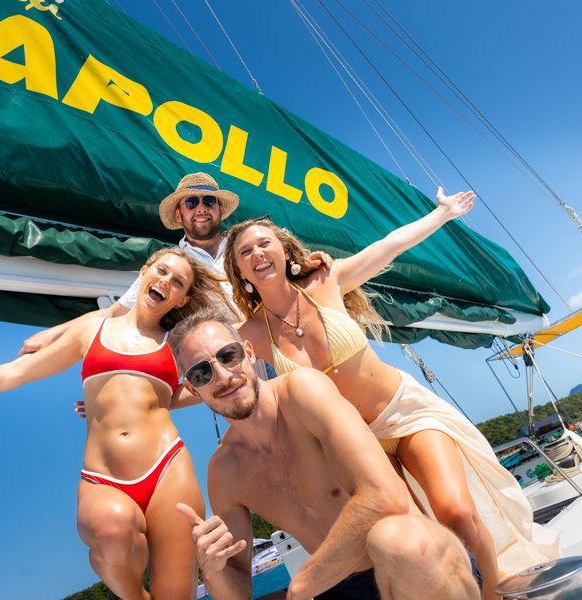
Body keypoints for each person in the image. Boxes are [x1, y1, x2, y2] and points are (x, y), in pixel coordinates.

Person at [222, 188, 560, 599]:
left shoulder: (326, 281)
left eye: (264, 243)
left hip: (404, 411)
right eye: (244, 252)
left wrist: (442, 213)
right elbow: (203, 367)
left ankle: (494, 594)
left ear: (283, 251)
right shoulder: (250, 334)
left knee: (458, 515)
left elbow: (389, 246)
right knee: (418, 538)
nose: (257, 253)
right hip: (357, 445)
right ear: (239, 272)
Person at [0, 248, 225, 600]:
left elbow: (205, 384)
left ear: (182, 300)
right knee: (111, 530)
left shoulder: (177, 343)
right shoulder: (92, 328)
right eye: (161, 271)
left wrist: (151, 399)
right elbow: (16, 372)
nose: (165, 281)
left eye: (177, 282)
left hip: (168, 469)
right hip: (105, 477)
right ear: (145, 271)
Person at [170, 308, 480, 599]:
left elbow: (387, 497)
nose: (222, 377)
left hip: (418, 567)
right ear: (194, 391)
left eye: (229, 356)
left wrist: (302, 585)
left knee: (399, 542)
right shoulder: (225, 471)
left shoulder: (303, 393)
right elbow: (236, 591)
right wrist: (212, 570)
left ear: (249, 353)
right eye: (201, 374)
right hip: (336, 587)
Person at [18, 172, 330, 356]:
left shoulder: (245, 244)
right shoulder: (173, 267)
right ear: (179, 214)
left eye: (209, 201)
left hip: (292, 340)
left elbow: (292, 266)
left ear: (220, 210)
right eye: (191, 202)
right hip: (237, 359)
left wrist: (314, 265)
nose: (201, 209)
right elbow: (115, 313)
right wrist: (52, 336)